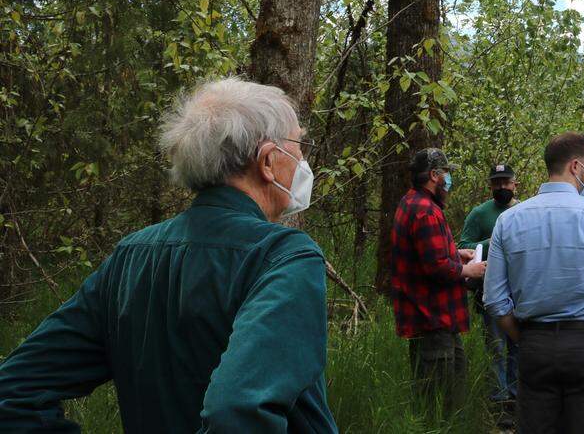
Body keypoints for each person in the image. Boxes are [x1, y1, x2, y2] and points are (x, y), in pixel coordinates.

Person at [0, 77, 337, 431]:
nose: (303, 160)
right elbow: (235, 413)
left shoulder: (129, 257)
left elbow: (12, 391)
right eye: (300, 144)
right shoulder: (283, 256)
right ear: (268, 161)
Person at [483, 132, 584, 433]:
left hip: (535, 346)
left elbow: (495, 300)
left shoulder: (509, 220)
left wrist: (524, 339)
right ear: (576, 167)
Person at [391, 148, 487, 418]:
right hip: (432, 318)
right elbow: (435, 267)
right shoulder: (426, 212)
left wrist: (456, 253)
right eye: (446, 173)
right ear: (434, 175)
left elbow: (421, 253)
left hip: (434, 320)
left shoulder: (411, 203)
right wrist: (469, 270)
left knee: (449, 393)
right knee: (438, 403)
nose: (448, 179)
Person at [458, 163, 520, 428]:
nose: (502, 187)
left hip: (520, 291)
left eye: (506, 182)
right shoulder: (479, 214)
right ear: (490, 186)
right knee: (496, 348)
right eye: (497, 183)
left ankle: (518, 397)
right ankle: (499, 400)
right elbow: (463, 247)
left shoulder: (523, 210)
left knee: (519, 346)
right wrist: (491, 240)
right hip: (490, 291)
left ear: (515, 184)